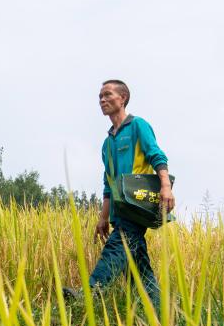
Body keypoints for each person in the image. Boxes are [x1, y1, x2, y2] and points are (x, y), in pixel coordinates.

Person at [64, 79, 175, 309]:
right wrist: (103, 218)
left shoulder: (138, 126)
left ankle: (90, 294)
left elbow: (157, 155)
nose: (102, 100)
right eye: (99, 97)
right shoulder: (107, 143)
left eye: (107, 94)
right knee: (138, 265)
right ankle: (160, 308)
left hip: (137, 206)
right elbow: (108, 183)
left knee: (119, 245)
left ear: (122, 98)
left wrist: (165, 186)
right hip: (118, 210)